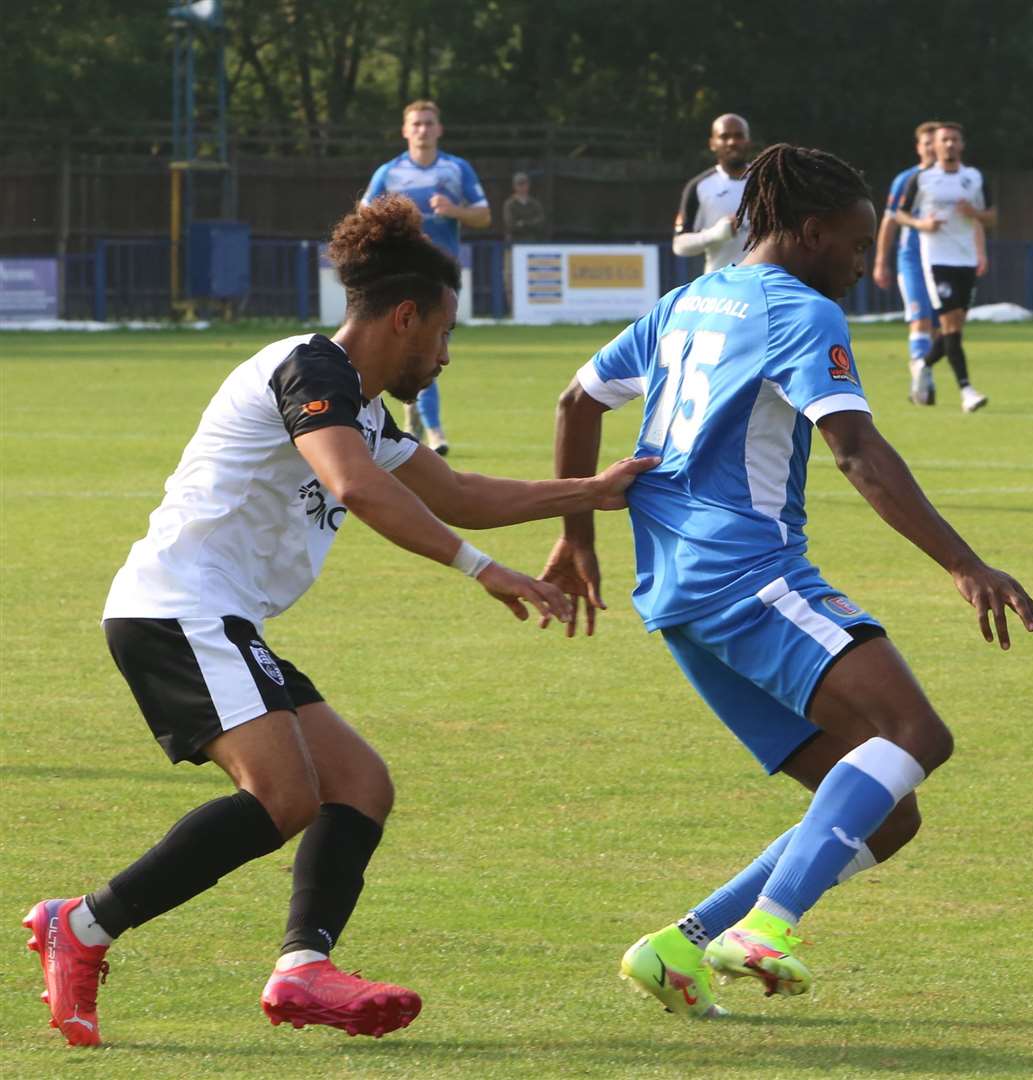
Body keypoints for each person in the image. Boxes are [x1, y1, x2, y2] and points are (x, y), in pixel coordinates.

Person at [20, 195, 654, 1047]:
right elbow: (355, 486)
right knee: (283, 797)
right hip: (179, 608)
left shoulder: (360, 407)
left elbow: (459, 492)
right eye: (444, 334)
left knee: (359, 784)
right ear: (405, 316)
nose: (446, 356)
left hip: (217, 616)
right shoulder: (311, 371)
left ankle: (300, 969)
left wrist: (589, 493)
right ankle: (84, 926)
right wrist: (480, 568)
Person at [540, 143, 1033, 1018]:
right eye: (852, 246)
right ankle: (768, 925)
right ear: (809, 233)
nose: (859, 264)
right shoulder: (800, 313)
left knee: (884, 813)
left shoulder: (686, 300)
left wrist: (576, 535)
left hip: (675, 595)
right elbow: (854, 449)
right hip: (746, 573)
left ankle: (679, 949)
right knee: (915, 733)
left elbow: (575, 401)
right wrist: (963, 564)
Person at [363, 99, 491, 456]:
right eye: (416, 124)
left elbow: (484, 215)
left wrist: (455, 211)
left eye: (428, 123)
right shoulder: (389, 172)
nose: (422, 129)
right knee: (417, 345)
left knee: (427, 346)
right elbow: (363, 216)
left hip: (441, 274)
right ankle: (432, 429)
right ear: (405, 130)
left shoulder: (456, 169)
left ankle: (415, 414)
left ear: (439, 129)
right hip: (402, 273)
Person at [892, 122, 995, 413]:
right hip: (936, 260)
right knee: (950, 326)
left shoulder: (973, 178)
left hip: (966, 260)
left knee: (954, 329)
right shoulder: (923, 179)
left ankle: (922, 364)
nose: (949, 144)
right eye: (944, 140)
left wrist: (975, 214)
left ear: (962, 145)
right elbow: (898, 214)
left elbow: (992, 216)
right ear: (934, 146)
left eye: (954, 140)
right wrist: (921, 224)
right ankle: (967, 390)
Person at [873, 121, 941, 405]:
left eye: (934, 143)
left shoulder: (952, 179)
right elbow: (890, 219)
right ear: (918, 147)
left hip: (942, 260)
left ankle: (924, 371)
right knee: (920, 317)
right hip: (911, 258)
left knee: (940, 327)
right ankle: (920, 377)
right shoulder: (907, 179)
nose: (931, 148)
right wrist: (880, 261)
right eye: (926, 143)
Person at [672, 114, 752, 273]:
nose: (732, 142)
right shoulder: (700, 186)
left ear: (748, 141)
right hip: (720, 286)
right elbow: (679, 246)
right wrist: (716, 234)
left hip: (763, 285)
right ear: (712, 143)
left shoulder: (768, 183)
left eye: (739, 136)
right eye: (724, 136)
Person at [501, 171, 547, 311]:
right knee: (511, 278)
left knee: (533, 278)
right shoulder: (510, 204)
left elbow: (541, 223)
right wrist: (528, 224)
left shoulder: (534, 204)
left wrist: (523, 224)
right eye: (519, 184)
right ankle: (513, 309)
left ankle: (533, 309)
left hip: (531, 246)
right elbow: (511, 225)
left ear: (528, 185)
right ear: (514, 186)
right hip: (513, 246)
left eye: (524, 184)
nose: (522, 187)